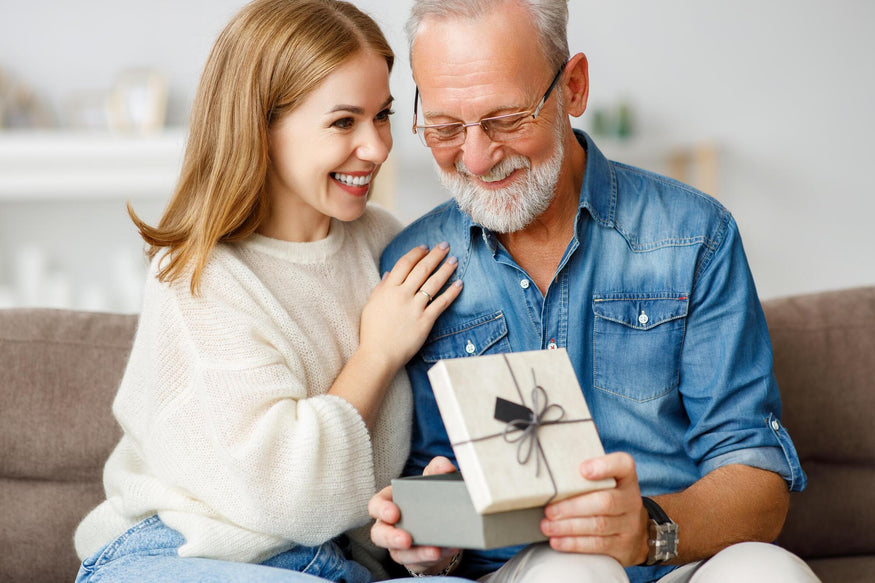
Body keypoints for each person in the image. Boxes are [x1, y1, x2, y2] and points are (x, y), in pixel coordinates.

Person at [368, 1, 820, 582]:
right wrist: (430, 542)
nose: (476, 159)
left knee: (771, 573)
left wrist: (648, 529)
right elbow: (422, 494)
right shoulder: (411, 268)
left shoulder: (695, 235)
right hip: (520, 573)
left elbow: (757, 479)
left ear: (574, 87)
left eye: (506, 119)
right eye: (445, 127)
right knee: (574, 572)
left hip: (674, 557)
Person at [72, 1, 469, 582]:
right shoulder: (198, 276)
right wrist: (377, 353)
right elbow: (291, 493)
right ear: (261, 125)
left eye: (382, 115)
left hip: (333, 566)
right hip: (181, 553)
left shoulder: (387, 244)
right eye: (343, 122)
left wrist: (433, 530)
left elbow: (395, 474)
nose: (378, 147)